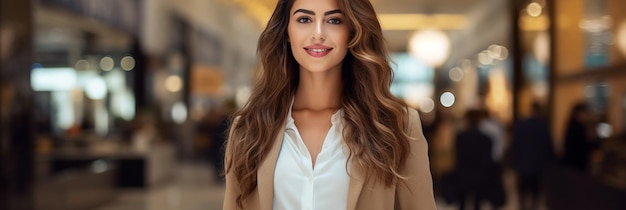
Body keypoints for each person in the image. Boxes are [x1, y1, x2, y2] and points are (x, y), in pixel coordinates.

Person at [222, 0, 436, 209]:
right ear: (286, 32)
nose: (318, 33)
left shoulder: (397, 124)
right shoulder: (249, 127)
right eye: (304, 19)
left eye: (334, 21)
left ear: (353, 31)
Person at [512, 102, 555, 210]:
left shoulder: (521, 124)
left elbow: (514, 145)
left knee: (522, 190)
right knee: (535, 191)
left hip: (523, 163)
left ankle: (522, 207)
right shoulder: (543, 126)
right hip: (537, 165)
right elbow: (549, 146)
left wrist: (515, 161)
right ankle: (533, 207)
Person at [453, 110, 498, 210]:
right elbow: (488, 160)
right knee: (478, 203)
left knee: (462, 203)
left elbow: (456, 157)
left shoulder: (460, 137)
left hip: (463, 174)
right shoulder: (486, 139)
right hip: (480, 175)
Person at [562, 102, 596, 172]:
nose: (587, 116)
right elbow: (583, 146)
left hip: (571, 164)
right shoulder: (578, 128)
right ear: (579, 113)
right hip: (577, 165)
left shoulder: (572, 126)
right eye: (585, 113)